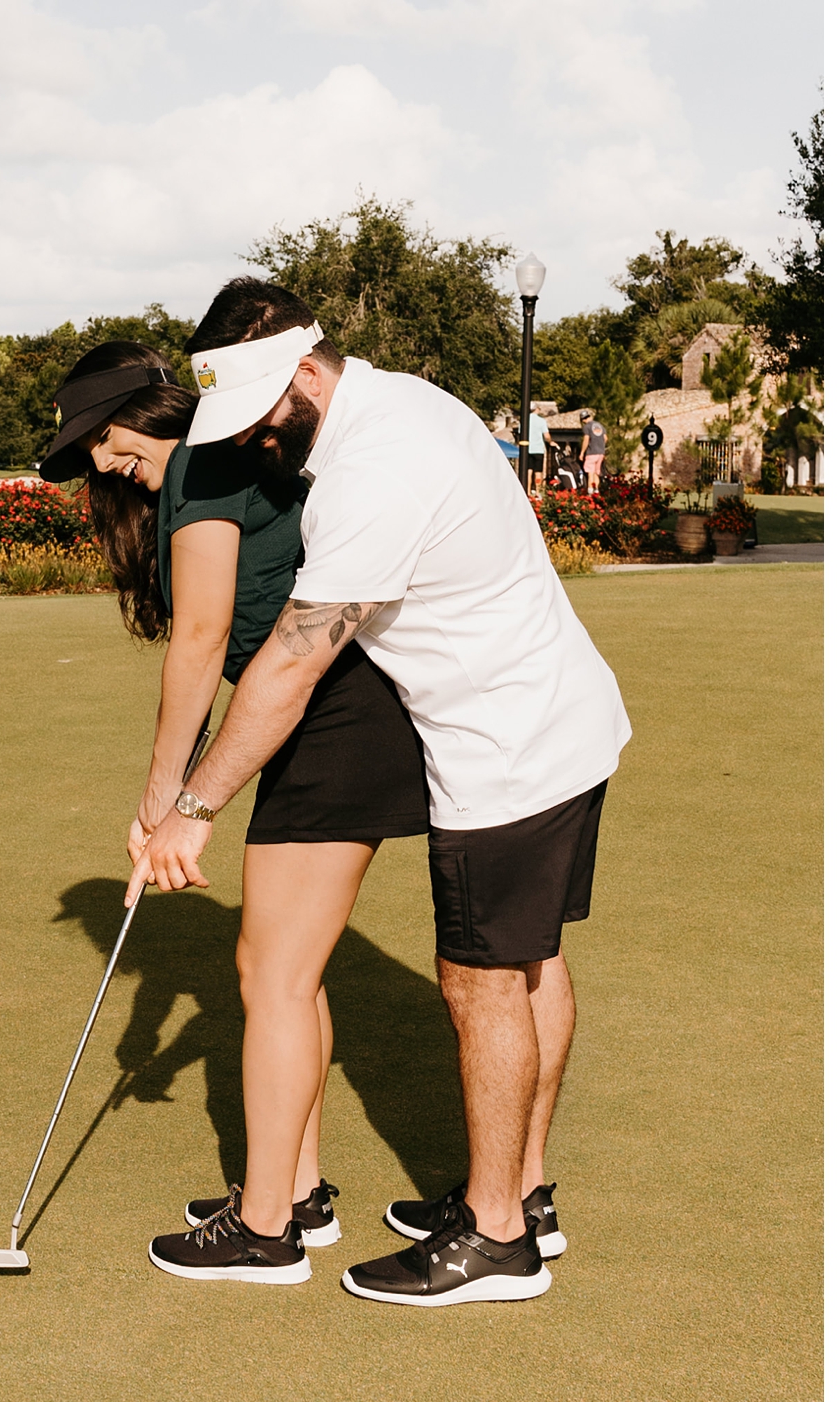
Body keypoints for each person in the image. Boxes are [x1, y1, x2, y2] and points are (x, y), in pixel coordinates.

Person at [131, 279, 630, 1307]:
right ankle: (519, 1194)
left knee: (480, 979)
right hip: (557, 720)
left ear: (303, 371)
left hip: (506, 746)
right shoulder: (401, 403)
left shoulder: (375, 465)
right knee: (530, 964)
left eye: (263, 409)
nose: (258, 432)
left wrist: (193, 803)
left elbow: (286, 667)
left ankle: (493, 1239)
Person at [40, 340, 429, 1285]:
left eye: (105, 435)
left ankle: (266, 1232)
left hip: (340, 713)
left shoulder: (210, 464)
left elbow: (202, 641)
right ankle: (296, 1193)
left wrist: (169, 801)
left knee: (273, 972)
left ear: (160, 410)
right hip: (307, 720)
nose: (98, 461)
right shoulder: (196, 474)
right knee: (286, 967)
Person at [579, 410, 606, 494]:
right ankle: (597, 491)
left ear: (583, 420)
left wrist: (582, 452)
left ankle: (590, 492)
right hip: (600, 453)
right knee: (596, 473)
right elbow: (605, 438)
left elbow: (586, 440)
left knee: (590, 473)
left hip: (591, 453)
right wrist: (600, 446)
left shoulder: (587, 427)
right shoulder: (600, 425)